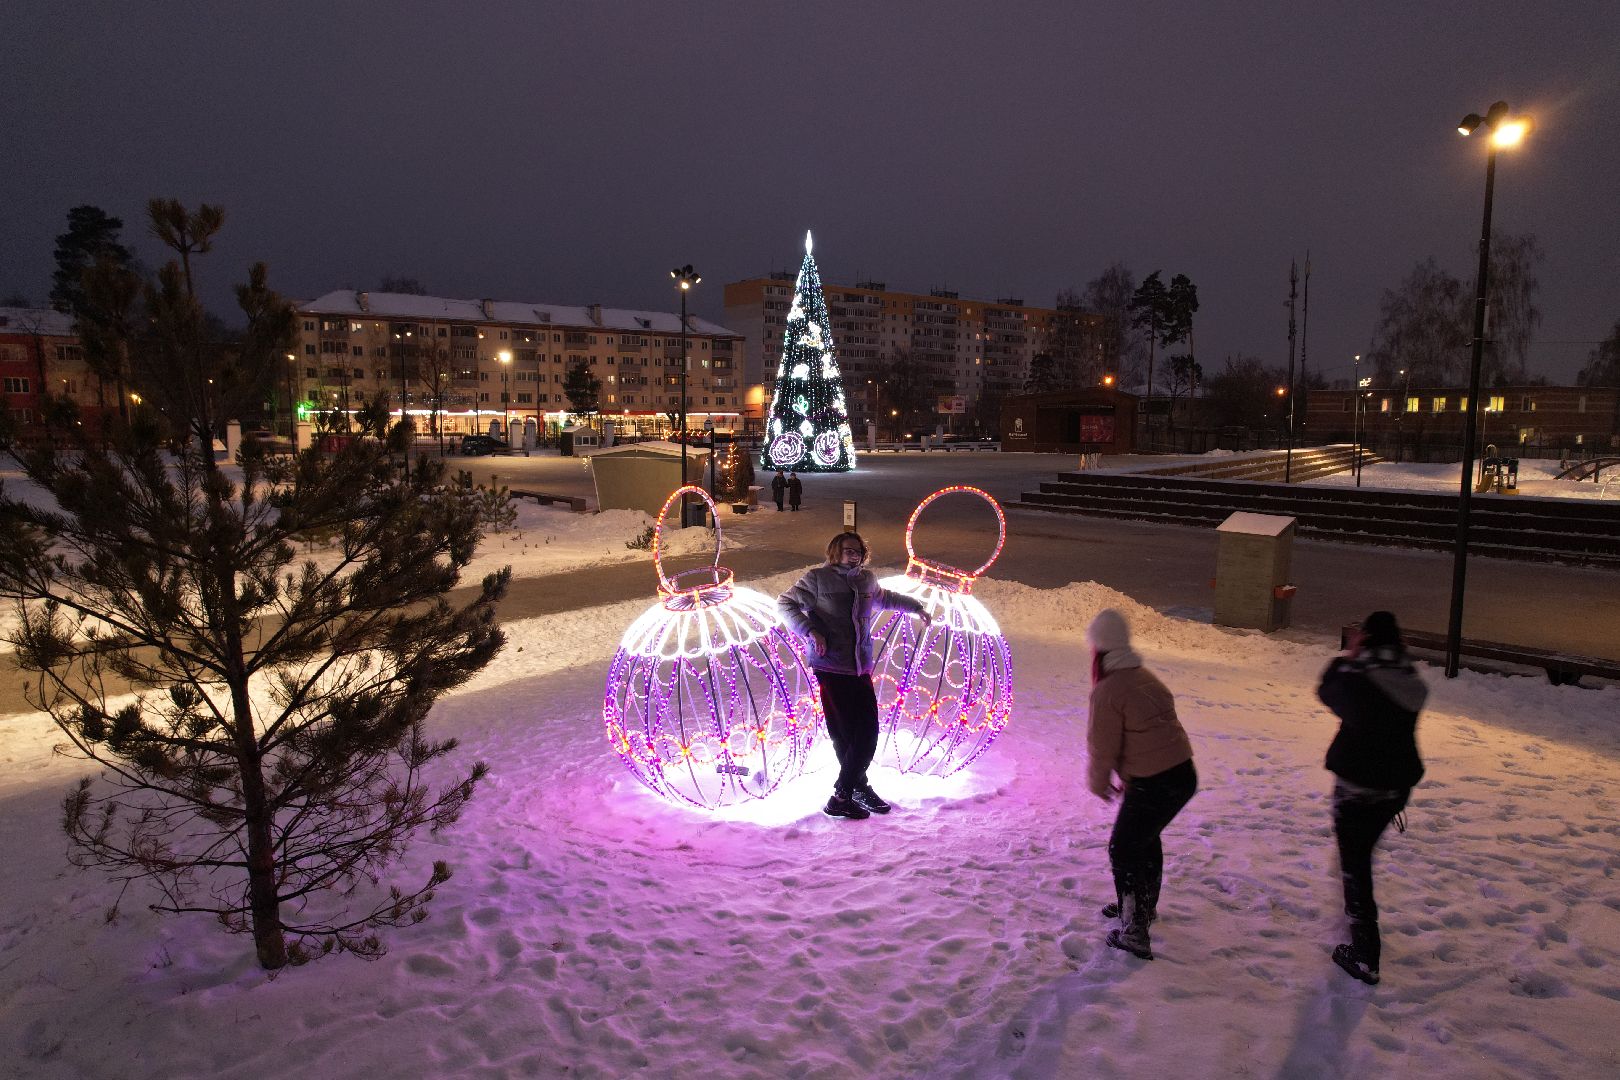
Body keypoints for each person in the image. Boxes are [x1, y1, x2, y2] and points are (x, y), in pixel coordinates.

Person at [778, 532, 930, 820]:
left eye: (858, 551)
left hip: (860, 666)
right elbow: (785, 604)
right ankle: (845, 794)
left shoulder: (866, 579)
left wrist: (916, 607)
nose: (854, 555)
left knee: (866, 732)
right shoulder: (818, 578)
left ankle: (851, 790)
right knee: (845, 734)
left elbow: (885, 599)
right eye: (848, 550)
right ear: (836, 551)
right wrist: (811, 630)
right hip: (831, 666)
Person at [1317, 610, 1427, 986]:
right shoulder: (1408, 677)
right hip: (1394, 790)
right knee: (1359, 858)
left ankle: (1365, 953)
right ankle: (1357, 931)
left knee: (1355, 866)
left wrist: (1349, 658)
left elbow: (1328, 689)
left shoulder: (1362, 681)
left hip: (1358, 790)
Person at [1085, 608, 1196, 961]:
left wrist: (1099, 784)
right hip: (1181, 774)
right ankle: (1141, 910)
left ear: (1098, 649)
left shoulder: (1108, 690)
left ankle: (1135, 930)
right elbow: (1151, 737)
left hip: (1157, 781)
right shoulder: (1145, 677)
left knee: (1124, 848)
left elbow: (1102, 749)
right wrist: (1131, 777)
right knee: (1144, 840)